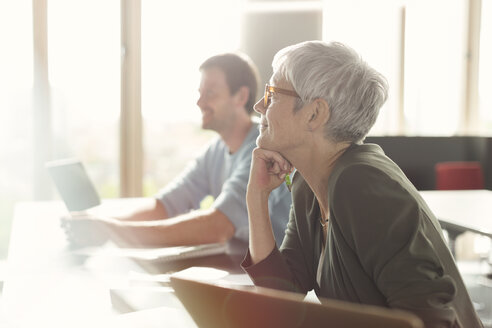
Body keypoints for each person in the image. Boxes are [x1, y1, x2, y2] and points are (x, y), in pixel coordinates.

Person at [242, 41, 483, 327]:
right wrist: (256, 198)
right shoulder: (309, 188)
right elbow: (280, 295)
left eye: (272, 94)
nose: (259, 106)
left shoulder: (361, 182)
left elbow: (430, 319)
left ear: (314, 113)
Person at [63, 52, 291, 250]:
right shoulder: (214, 151)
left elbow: (218, 226)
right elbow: (166, 205)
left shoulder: (261, 151)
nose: (200, 102)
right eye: (199, 93)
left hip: (276, 285)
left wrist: (112, 232)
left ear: (240, 96)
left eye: (210, 93)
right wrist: (101, 222)